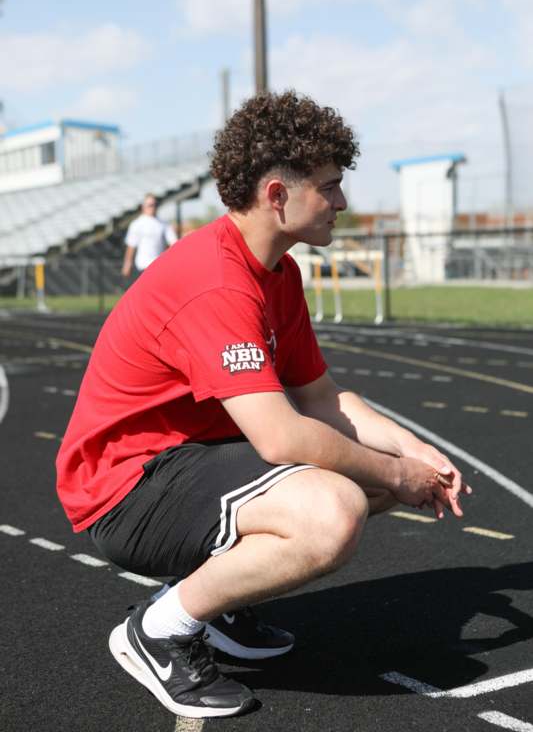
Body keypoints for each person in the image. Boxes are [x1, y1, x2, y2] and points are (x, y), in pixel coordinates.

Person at [56, 90, 471, 720]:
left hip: (185, 460)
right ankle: (159, 631)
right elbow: (283, 438)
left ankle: (213, 606)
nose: (342, 202)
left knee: (369, 478)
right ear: (277, 195)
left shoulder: (280, 272)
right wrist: (393, 472)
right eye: (330, 187)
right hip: (122, 490)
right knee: (332, 510)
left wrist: (415, 455)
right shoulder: (216, 282)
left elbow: (324, 400)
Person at [121, 193, 177, 279]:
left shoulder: (164, 224)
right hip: (142, 266)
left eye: (155, 205)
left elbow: (173, 243)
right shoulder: (137, 224)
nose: (153, 207)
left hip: (158, 267)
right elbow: (131, 246)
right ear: (143, 206)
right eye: (150, 205)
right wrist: (127, 264)